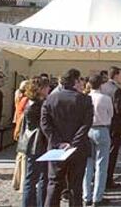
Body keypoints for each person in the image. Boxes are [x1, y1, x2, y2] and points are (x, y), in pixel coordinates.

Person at [41, 68, 93, 207]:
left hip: (56, 149)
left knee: (54, 184)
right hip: (78, 149)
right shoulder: (85, 100)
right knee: (75, 187)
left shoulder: (50, 99)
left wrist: (59, 143)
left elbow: (45, 125)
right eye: (80, 80)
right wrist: (73, 144)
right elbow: (86, 125)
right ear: (75, 81)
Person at [83, 74, 113, 205]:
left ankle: (86, 196)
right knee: (101, 165)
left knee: (87, 164)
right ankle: (97, 197)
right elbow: (110, 115)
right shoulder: (105, 98)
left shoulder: (85, 98)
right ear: (101, 84)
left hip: (87, 130)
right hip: (102, 129)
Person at [21, 76, 50, 207]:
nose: (49, 89)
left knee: (38, 178)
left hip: (36, 143)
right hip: (37, 143)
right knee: (33, 179)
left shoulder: (33, 103)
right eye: (46, 87)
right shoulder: (37, 105)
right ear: (40, 89)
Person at [101, 66, 121, 189]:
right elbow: (118, 109)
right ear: (115, 75)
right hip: (114, 126)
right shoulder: (116, 89)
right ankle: (108, 180)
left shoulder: (102, 87)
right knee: (112, 154)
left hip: (103, 123)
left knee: (101, 155)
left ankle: (101, 179)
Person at [11, 80, 29, 191]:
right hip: (23, 131)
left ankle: (16, 182)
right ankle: (22, 184)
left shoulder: (19, 98)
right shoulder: (25, 100)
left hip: (19, 128)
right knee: (24, 158)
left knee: (20, 157)